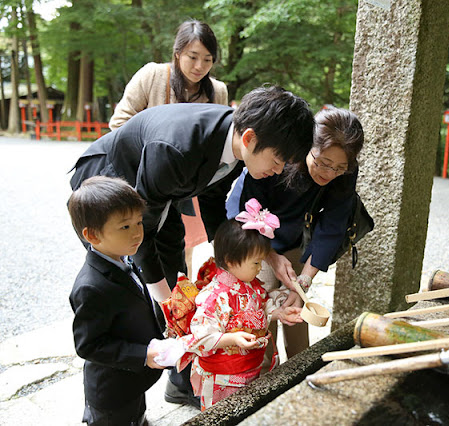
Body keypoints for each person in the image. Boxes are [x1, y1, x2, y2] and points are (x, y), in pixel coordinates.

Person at [70, 85, 315, 407]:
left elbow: (213, 203)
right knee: (130, 302)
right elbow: (143, 237)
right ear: (250, 138)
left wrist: (261, 255)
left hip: (162, 196)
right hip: (111, 193)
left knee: (178, 283)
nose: (280, 170)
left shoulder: (235, 145)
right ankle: (111, 398)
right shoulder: (177, 149)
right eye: (279, 159)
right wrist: (167, 303)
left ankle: (179, 379)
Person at [226, 107, 365, 365]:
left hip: (298, 234)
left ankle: (300, 371)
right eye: (322, 162)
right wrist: (271, 257)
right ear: (307, 148)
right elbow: (248, 208)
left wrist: (304, 281)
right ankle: (261, 373)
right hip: (254, 231)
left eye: (339, 168)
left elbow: (333, 224)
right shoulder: (283, 153)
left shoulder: (344, 170)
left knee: (295, 301)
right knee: (262, 301)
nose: (329, 173)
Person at [109, 19, 228, 281]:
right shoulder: (152, 75)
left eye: (207, 60)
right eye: (192, 57)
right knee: (139, 242)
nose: (199, 67)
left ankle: (173, 303)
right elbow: (118, 123)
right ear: (177, 53)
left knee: (181, 246)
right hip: (143, 178)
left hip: (185, 184)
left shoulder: (217, 91)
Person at [158, 199, 302, 410]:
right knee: (225, 414)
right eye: (256, 262)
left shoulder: (249, 285)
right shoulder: (214, 297)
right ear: (232, 261)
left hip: (249, 369)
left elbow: (259, 308)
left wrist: (279, 312)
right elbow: (201, 337)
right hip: (223, 379)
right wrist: (232, 338)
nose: (260, 267)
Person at [67, 176, 165, 426]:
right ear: (93, 235)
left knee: (137, 414)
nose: (137, 233)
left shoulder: (122, 257)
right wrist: (143, 354)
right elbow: (88, 345)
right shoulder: (91, 287)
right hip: (112, 389)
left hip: (133, 378)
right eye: (125, 227)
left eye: (139, 222)